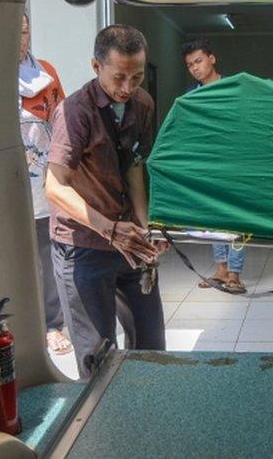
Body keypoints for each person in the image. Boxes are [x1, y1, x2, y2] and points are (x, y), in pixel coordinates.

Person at [45, 24, 167, 377]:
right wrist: (107, 228)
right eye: (119, 77)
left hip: (127, 239)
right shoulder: (75, 112)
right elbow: (55, 187)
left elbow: (133, 167)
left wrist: (146, 227)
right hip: (82, 244)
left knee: (151, 345)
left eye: (137, 77)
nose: (127, 88)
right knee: (98, 356)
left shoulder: (142, 104)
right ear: (96, 67)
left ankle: (148, 416)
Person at [17, 12, 73, 356]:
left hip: (40, 181)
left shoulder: (46, 72)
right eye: (13, 32)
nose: (19, 39)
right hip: (4, 183)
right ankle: (18, 324)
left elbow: (63, 120)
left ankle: (52, 325)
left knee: (45, 255)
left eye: (24, 32)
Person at [181, 38, 248, 293]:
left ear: (212, 58)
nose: (195, 68)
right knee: (213, 218)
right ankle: (220, 269)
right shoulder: (191, 97)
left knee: (237, 219)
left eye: (198, 61)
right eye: (189, 65)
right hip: (207, 165)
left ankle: (235, 273)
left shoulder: (234, 88)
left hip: (235, 164)